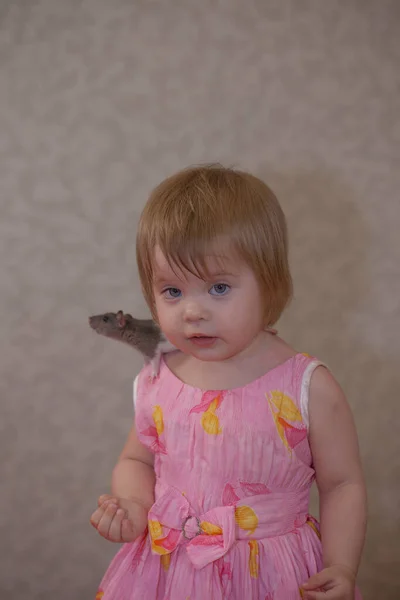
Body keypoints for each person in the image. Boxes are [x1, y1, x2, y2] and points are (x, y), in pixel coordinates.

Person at [90, 165, 367, 600]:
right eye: (172, 292)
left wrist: (342, 565)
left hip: (272, 577)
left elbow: (342, 484)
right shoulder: (158, 379)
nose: (192, 312)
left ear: (270, 285)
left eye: (218, 288)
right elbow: (138, 461)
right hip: (167, 573)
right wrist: (134, 505)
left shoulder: (306, 386)